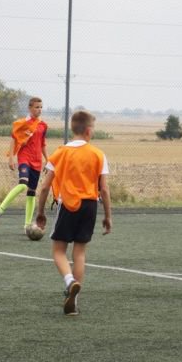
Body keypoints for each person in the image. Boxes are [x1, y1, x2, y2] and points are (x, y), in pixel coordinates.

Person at [35, 110, 112, 316]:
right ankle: (74, 302)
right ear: (88, 131)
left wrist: (40, 212)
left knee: (58, 251)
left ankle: (69, 282)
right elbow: (104, 189)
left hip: (68, 205)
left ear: (73, 129)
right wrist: (108, 216)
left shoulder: (60, 153)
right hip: (90, 206)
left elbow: (45, 187)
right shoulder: (98, 154)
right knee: (79, 252)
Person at [0, 97, 48, 233]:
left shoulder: (43, 125)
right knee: (22, 184)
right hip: (24, 158)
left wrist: (47, 159)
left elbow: (43, 144)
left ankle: (27, 226)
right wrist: (11, 158)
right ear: (30, 108)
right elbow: (14, 140)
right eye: (36, 107)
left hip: (37, 161)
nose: (39, 109)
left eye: (41, 107)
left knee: (31, 193)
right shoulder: (22, 123)